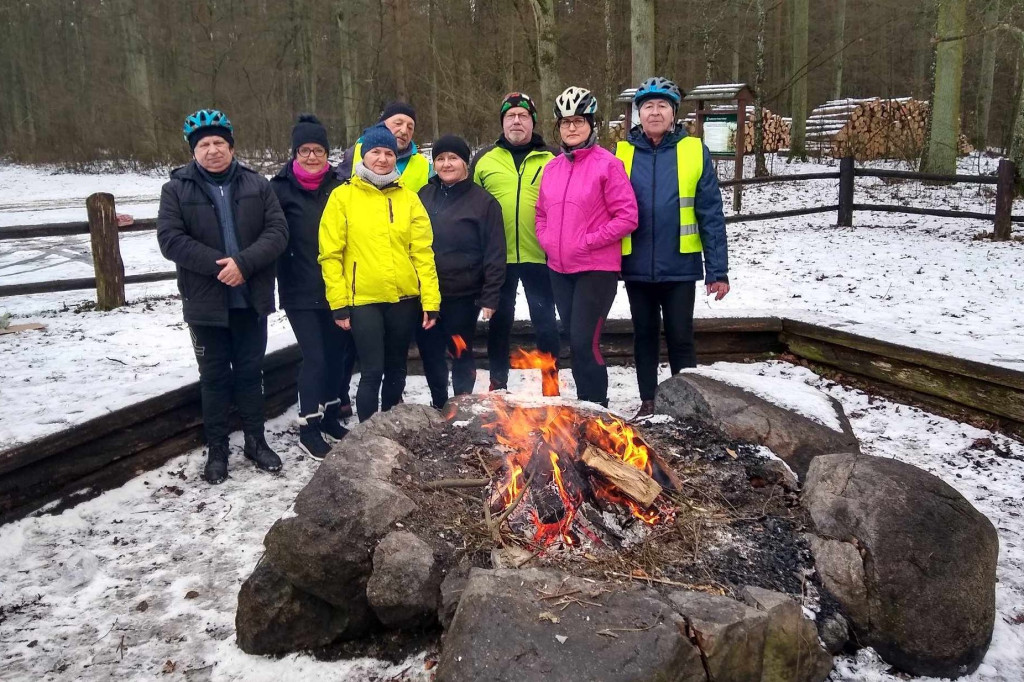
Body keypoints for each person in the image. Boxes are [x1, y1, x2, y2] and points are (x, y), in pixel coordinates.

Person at [157, 109, 289, 484]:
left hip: (250, 299)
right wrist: (219, 266)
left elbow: (278, 232)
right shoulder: (176, 189)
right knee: (213, 377)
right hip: (206, 303)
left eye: (219, 143)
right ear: (193, 151)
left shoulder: (256, 184)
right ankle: (217, 450)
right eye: (204, 145)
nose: (212, 150)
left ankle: (255, 441)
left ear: (231, 147)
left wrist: (243, 264)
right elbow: (170, 239)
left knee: (250, 374)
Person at [615, 77, 729, 417]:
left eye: (662, 106)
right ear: (639, 114)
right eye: (647, 106)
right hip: (635, 265)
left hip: (680, 265)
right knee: (644, 337)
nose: (654, 112)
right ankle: (648, 401)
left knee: (681, 338)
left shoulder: (694, 150)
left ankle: (686, 404)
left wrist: (717, 269)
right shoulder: (621, 153)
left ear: (673, 112)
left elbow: (711, 213)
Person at [319, 124, 441, 421]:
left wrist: (431, 301)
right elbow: (330, 255)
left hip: (404, 298)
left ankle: (389, 423)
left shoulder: (409, 199)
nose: (383, 158)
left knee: (396, 367)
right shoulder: (342, 197)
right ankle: (366, 436)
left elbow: (423, 252)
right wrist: (338, 303)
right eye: (376, 152)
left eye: (388, 152)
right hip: (363, 300)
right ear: (364, 154)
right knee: (372, 371)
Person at [535, 87, 638, 407]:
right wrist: (548, 240)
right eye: (565, 123)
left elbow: (628, 216)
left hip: (596, 269)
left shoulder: (608, 165)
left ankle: (597, 410)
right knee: (573, 341)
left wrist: (588, 242)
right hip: (559, 269)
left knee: (584, 342)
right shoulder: (552, 167)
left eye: (579, 121)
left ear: (592, 124)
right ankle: (584, 408)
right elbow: (541, 213)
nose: (572, 128)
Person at [270, 114, 351, 461]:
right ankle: (308, 425)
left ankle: (331, 415)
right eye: (304, 150)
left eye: (318, 149)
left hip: (337, 287)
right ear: (294, 153)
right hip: (299, 286)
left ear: (327, 152)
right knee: (315, 357)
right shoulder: (278, 188)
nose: (312, 156)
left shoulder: (340, 185)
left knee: (337, 355)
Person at [471, 92, 560, 391]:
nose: (517, 121)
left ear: (533, 121)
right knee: (499, 323)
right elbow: (469, 204)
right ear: (502, 122)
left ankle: (550, 381)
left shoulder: (552, 157)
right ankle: (498, 382)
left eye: (523, 116)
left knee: (545, 322)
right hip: (498, 259)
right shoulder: (485, 159)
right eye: (511, 116)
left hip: (541, 255)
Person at [415, 135, 506, 407]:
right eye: (440, 159)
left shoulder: (483, 202)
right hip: (426, 293)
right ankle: (439, 403)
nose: (446, 164)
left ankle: (461, 404)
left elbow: (495, 252)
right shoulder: (422, 196)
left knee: (460, 351)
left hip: (464, 295)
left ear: (465, 162)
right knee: (430, 353)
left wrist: (490, 296)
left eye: (453, 158)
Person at [338, 101, 432, 192]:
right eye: (398, 123)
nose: (404, 131)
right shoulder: (355, 152)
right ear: (382, 124)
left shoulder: (425, 167)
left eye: (410, 128)